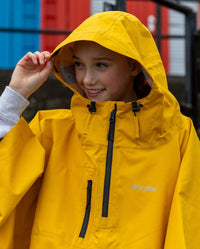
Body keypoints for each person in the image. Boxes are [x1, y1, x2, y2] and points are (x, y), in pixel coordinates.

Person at [0, 11, 200, 249]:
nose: (87, 79)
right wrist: (15, 95)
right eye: (79, 65)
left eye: (101, 65)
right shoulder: (51, 130)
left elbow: (187, 225)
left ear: (135, 66)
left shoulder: (178, 135)